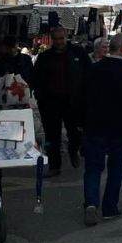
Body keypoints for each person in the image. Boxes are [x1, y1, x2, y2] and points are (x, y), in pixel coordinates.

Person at [80, 33, 122, 226]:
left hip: (94, 127)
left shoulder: (94, 70)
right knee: (116, 169)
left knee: (92, 167)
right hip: (120, 129)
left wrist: (81, 123)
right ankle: (109, 207)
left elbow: (81, 97)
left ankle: (91, 203)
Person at [32, 26, 88, 175]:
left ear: (66, 37)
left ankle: (73, 150)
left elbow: (88, 73)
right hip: (50, 101)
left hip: (73, 100)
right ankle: (54, 165)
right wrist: (39, 95)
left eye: (61, 38)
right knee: (52, 135)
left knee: (74, 131)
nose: (58, 42)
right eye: (55, 39)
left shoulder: (78, 53)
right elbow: (36, 77)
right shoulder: (44, 57)